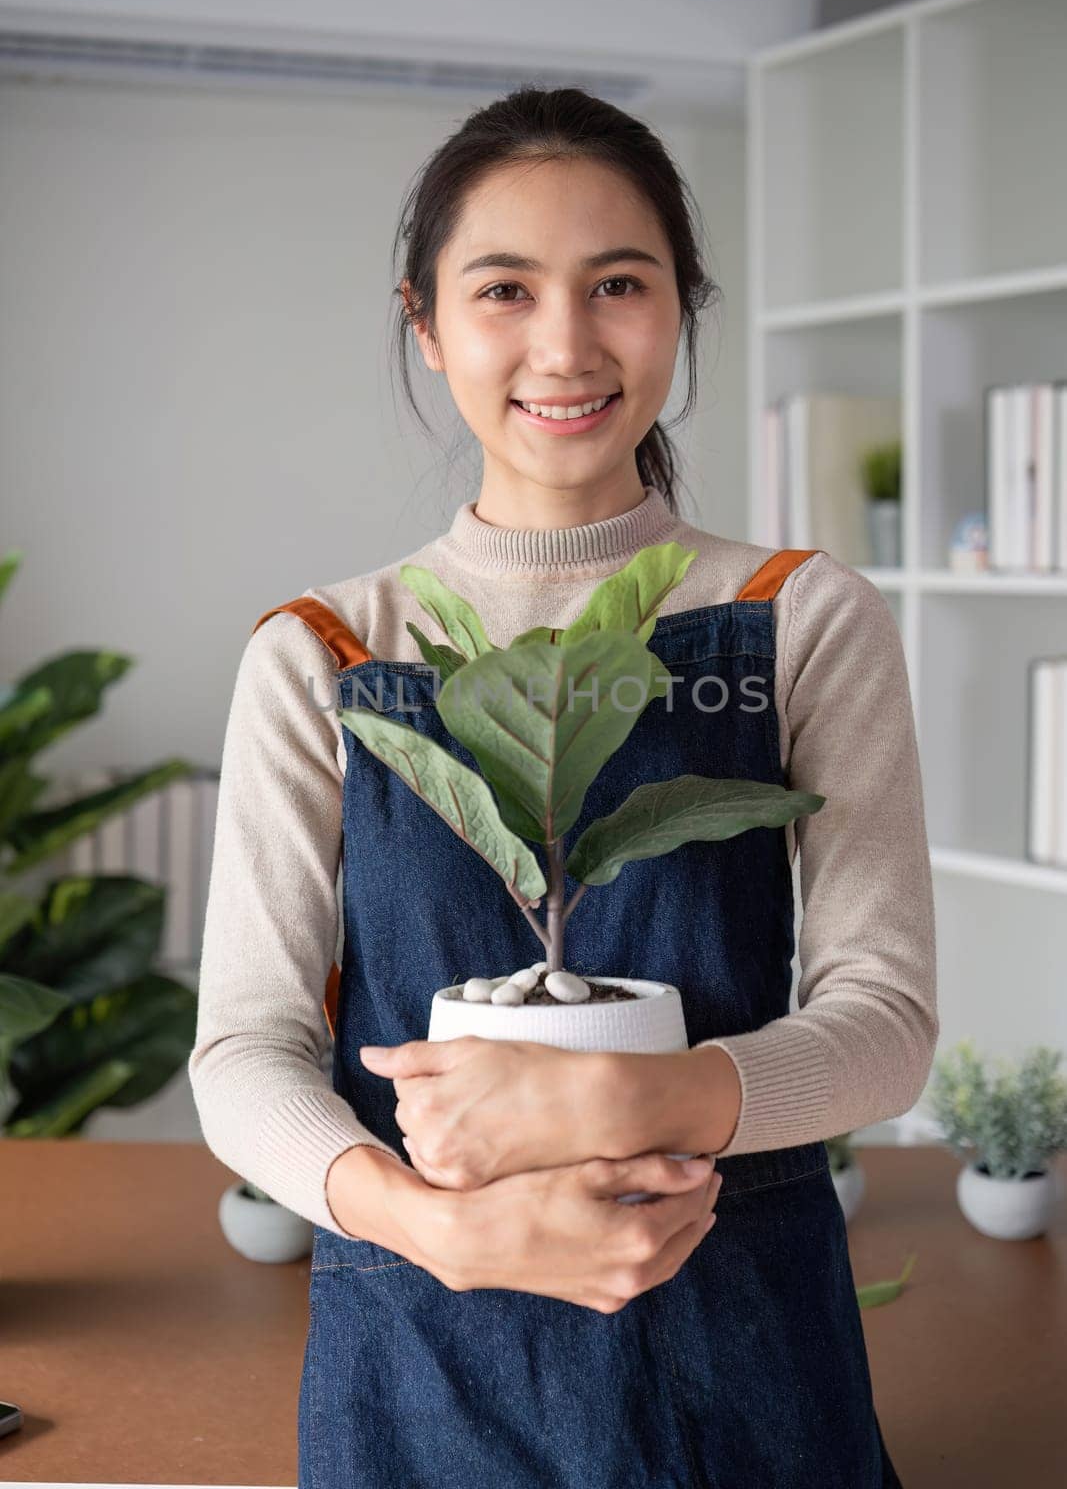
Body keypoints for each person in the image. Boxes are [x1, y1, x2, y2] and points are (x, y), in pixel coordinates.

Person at [189, 86, 936, 1488]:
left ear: (683, 307)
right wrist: (432, 1224)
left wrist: (616, 1107)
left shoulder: (796, 617)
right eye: (505, 290)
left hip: (748, 1346)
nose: (565, 344)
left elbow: (885, 1027)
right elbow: (244, 1054)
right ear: (427, 323)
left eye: (619, 286)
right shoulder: (330, 652)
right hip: (426, 1346)